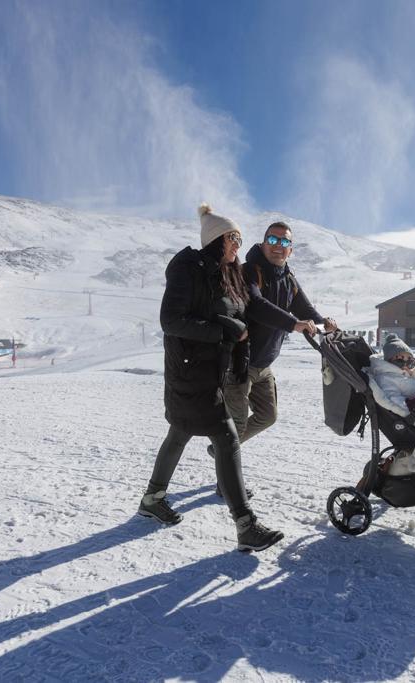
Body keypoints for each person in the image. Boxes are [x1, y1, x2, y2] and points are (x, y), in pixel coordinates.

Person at [138, 203, 283, 553]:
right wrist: (224, 330)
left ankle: (152, 499)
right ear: (217, 238)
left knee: (180, 432)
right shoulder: (188, 268)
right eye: (233, 237)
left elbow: (245, 312)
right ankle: (245, 524)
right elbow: (171, 321)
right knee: (227, 437)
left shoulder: (226, 274)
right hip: (190, 371)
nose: (238, 244)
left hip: (211, 371)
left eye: (239, 238)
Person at [218, 221, 338, 457]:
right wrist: (294, 324)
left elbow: (305, 310)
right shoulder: (249, 271)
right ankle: (227, 481)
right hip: (239, 364)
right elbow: (257, 306)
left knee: (267, 416)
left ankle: (223, 449)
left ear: (290, 250)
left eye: (284, 242)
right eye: (273, 240)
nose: (278, 246)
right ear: (263, 244)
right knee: (237, 426)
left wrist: (327, 325)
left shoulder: (289, 278)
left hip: (264, 365)